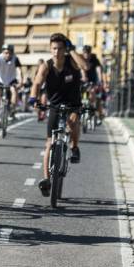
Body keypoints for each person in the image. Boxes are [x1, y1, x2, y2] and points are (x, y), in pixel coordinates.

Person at [28, 33, 88, 197]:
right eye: (54, 48)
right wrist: (33, 98)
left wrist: (73, 50)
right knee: (49, 143)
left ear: (65, 49)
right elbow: (37, 83)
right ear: (50, 48)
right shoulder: (46, 66)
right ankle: (47, 181)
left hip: (73, 104)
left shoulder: (72, 62)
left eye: (60, 48)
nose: (57, 52)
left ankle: (74, 147)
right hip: (54, 105)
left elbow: (85, 66)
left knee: (73, 123)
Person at [0, 44, 23, 122]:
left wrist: (21, 81)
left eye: (9, 53)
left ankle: (12, 109)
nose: (7, 55)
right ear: (3, 52)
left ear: (12, 53)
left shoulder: (15, 59)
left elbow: (19, 70)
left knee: (14, 91)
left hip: (11, 79)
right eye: (5, 53)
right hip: (0, 79)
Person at [82, 45, 105, 119]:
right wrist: (84, 76)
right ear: (83, 53)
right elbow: (81, 68)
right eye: (85, 53)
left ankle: (92, 107)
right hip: (82, 79)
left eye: (88, 53)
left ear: (90, 53)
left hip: (92, 80)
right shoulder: (81, 58)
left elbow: (98, 69)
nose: (86, 55)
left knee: (92, 93)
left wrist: (100, 79)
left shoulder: (94, 59)